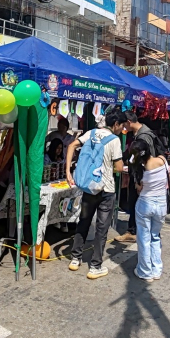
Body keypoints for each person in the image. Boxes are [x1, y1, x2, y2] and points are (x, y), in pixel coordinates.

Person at [66, 107, 126, 279]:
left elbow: (71, 145)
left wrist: (68, 172)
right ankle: (95, 266)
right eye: (121, 126)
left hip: (89, 188)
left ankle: (75, 258)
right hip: (105, 191)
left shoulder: (91, 133)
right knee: (101, 228)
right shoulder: (114, 140)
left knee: (83, 221)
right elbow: (119, 168)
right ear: (115, 124)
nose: (121, 129)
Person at [117, 111, 162, 243]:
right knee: (134, 204)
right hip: (138, 176)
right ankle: (134, 230)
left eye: (123, 124)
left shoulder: (143, 136)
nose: (123, 127)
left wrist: (139, 180)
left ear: (128, 122)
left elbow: (143, 161)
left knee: (137, 204)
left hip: (140, 177)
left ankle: (135, 232)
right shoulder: (140, 133)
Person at [128, 138, 168, 282]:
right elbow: (161, 150)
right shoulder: (163, 161)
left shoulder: (140, 170)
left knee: (144, 238)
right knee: (155, 236)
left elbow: (139, 189)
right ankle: (157, 270)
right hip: (161, 204)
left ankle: (145, 271)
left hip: (145, 203)